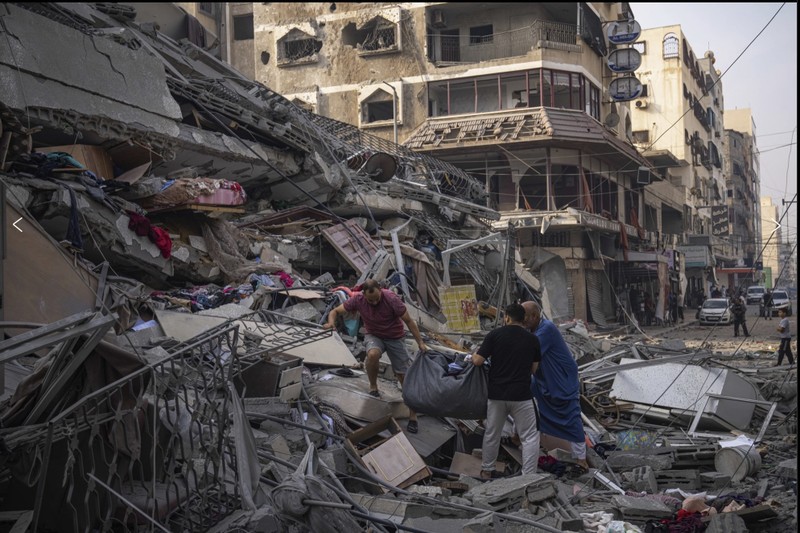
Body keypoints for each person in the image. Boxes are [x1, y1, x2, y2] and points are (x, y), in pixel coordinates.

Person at [325, 279, 428, 433]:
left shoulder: (391, 299)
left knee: (403, 376)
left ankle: (413, 415)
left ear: (380, 290)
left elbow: (409, 321)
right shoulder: (358, 299)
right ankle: (373, 386)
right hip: (374, 335)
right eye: (370, 300)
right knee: (372, 354)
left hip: (395, 337)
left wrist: (420, 342)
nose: (373, 303)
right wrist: (330, 323)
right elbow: (335, 311)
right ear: (364, 295)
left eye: (376, 299)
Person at [471, 303, 541, 479]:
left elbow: (478, 361)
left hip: (497, 395)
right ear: (523, 319)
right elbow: (534, 370)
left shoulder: (495, 335)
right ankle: (528, 476)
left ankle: (487, 470)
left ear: (507, 317)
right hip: (522, 396)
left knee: (492, 433)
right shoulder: (533, 339)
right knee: (530, 436)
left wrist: (472, 355)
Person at [522, 301, 589, 470]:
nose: (523, 322)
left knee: (571, 416)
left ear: (535, 317)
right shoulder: (534, 329)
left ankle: (581, 458)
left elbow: (527, 351)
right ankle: (518, 435)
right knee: (526, 401)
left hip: (561, 380)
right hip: (545, 379)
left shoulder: (546, 330)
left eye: (525, 318)